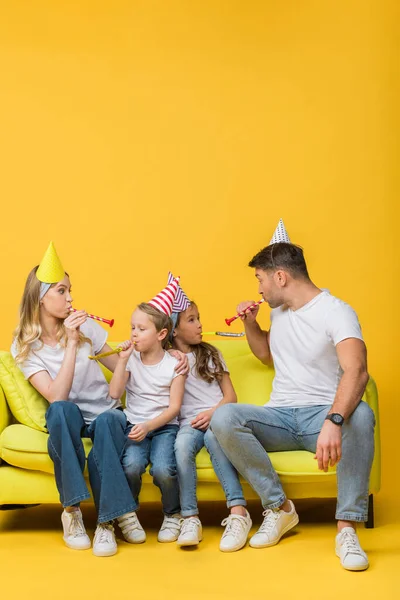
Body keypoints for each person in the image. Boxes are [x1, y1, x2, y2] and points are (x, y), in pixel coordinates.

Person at [211, 224, 374, 571]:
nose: (259, 288)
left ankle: (347, 529)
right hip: (280, 417)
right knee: (223, 418)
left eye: (260, 279)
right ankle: (280, 508)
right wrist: (252, 324)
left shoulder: (336, 311)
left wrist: (334, 420)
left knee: (361, 415)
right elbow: (268, 356)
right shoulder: (278, 312)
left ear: (281, 277)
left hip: (321, 416)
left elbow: (357, 371)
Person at [12, 243, 187, 557]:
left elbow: (125, 368)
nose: (71, 298)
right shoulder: (24, 345)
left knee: (110, 419)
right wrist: (71, 343)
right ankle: (74, 512)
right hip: (69, 417)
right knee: (61, 411)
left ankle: (106, 524)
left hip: (105, 413)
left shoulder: (87, 325)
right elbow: (56, 395)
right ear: (42, 297)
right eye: (63, 291)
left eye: (70, 291)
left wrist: (166, 354)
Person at [171, 298, 252, 551]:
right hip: (189, 423)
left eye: (199, 318)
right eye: (191, 320)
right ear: (173, 330)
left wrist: (212, 413)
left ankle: (238, 510)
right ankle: (190, 518)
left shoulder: (211, 354)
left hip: (218, 417)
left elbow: (231, 397)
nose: (199, 325)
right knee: (182, 446)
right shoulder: (166, 359)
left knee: (214, 440)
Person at [109, 278, 186, 544]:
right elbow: (114, 394)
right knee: (130, 465)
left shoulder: (174, 364)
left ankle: (173, 514)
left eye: (141, 328)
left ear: (161, 334)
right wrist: (120, 361)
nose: (133, 334)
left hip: (164, 427)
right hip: (134, 424)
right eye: (132, 328)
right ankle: (128, 515)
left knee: (164, 469)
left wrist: (149, 427)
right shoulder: (130, 358)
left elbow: (174, 407)